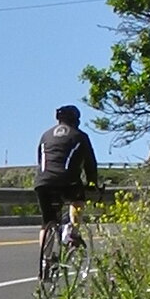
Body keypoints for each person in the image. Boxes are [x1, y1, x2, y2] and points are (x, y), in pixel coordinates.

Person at [34, 102, 98, 246]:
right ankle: (72, 234)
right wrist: (92, 184)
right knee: (78, 200)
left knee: (46, 223)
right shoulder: (80, 136)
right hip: (67, 182)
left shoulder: (46, 135)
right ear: (76, 120)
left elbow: (40, 159)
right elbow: (90, 164)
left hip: (43, 182)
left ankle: (46, 261)